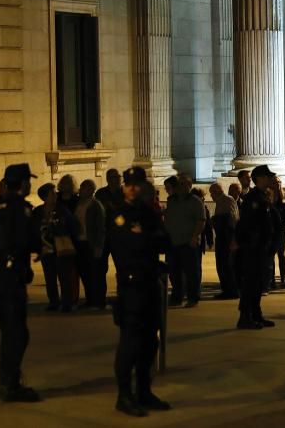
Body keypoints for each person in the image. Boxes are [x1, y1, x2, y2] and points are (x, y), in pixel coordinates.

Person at [108, 166, 172, 417]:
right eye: (129, 184)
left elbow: (165, 241)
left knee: (149, 341)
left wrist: (144, 236)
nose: (134, 188)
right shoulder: (118, 214)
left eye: (138, 184)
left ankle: (144, 391)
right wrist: (147, 237)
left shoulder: (147, 212)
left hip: (149, 281)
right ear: (124, 187)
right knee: (130, 343)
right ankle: (124, 395)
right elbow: (127, 245)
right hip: (131, 285)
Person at [0, 163, 41, 403]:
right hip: (9, 277)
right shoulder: (20, 210)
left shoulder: (1, 208)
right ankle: (9, 383)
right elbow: (27, 241)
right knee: (17, 333)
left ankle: (8, 380)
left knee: (11, 330)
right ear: (24, 184)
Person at [235, 165, 276, 329]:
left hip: (261, 247)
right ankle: (245, 317)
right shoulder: (252, 198)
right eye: (267, 176)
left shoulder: (262, 196)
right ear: (259, 178)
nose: (270, 179)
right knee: (250, 283)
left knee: (258, 283)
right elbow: (246, 223)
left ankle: (256, 314)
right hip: (253, 247)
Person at [33, 183, 80, 312]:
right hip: (46, 248)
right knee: (50, 277)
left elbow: (73, 226)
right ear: (44, 197)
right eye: (52, 193)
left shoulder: (62, 210)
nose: (55, 195)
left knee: (64, 276)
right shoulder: (38, 212)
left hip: (61, 247)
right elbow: (33, 229)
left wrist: (61, 230)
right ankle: (53, 301)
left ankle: (67, 302)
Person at [163, 175, 205, 308]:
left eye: (183, 184)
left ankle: (193, 298)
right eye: (179, 184)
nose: (180, 187)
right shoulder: (172, 200)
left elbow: (201, 220)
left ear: (189, 186)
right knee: (174, 272)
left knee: (191, 272)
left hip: (188, 242)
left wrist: (195, 237)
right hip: (173, 242)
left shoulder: (195, 201)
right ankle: (177, 297)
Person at [73, 180, 107, 309]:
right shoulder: (79, 203)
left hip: (91, 243)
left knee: (95, 274)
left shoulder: (95, 205)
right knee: (85, 273)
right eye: (81, 187)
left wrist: (99, 246)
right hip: (80, 242)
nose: (80, 190)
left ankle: (98, 300)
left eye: (84, 188)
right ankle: (90, 299)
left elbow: (100, 227)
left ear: (91, 190)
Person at [209, 183, 238, 299]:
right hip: (222, 237)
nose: (211, 196)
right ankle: (227, 289)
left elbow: (232, 220)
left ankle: (230, 290)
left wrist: (214, 220)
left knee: (226, 265)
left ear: (216, 192)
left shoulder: (227, 200)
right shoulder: (221, 201)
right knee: (222, 265)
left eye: (211, 193)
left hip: (227, 238)